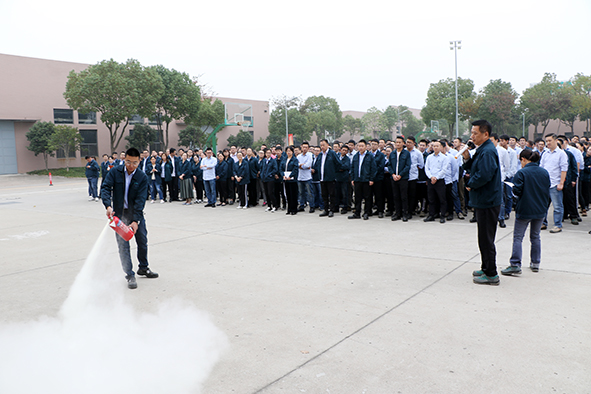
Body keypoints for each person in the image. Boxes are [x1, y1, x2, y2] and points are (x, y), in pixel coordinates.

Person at [101, 148, 158, 289]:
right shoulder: (115, 172)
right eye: (128, 161)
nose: (131, 165)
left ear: (139, 161)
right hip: (119, 215)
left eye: (134, 162)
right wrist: (108, 205)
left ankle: (143, 267)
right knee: (123, 246)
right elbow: (105, 188)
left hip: (135, 214)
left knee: (142, 241)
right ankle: (129, 274)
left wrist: (135, 220)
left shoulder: (142, 177)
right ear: (123, 159)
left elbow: (140, 200)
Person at [461, 120, 503, 286]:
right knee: (483, 237)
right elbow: (474, 168)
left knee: (486, 239)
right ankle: (485, 267)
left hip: (488, 201)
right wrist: (466, 157)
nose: (472, 136)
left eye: (475, 133)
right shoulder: (482, 150)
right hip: (484, 200)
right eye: (471, 133)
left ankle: (492, 274)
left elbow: (484, 175)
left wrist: (470, 184)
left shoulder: (487, 151)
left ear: (486, 134)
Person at [500, 150, 550, 276]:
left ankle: (515, 264)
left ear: (523, 159)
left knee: (518, 237)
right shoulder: (544, 172)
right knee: (535, 236)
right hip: (540, 209)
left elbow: (517, 191)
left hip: (525, 209)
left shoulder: (521, 173)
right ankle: (535, 263)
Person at [540, 134, 568, 233]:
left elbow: (564, 169)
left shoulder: (561, 153)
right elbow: (541, 167)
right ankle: (543, 223)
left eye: (549, 141)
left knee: (557, 206)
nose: (548, 143)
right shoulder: (545, 153)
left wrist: (561, 183)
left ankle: (557, 225)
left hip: (555, 184)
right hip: (545, 184)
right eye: (546, 141)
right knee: (543, 205)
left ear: (556, 141)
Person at [348, 139, 376, 220]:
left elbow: (373, 169)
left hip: (366, 180)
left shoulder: (370, 156)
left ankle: (367, 212)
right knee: (357, 197)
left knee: (367, 197)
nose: (360, 148)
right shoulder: (356, 156)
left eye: (362, 146)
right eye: (359, 146)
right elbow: (352, 168)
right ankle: (357, 212)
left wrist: (371, 179)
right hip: (357, 180)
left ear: (366, 147)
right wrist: (353, 178)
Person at [315, 139, 342, 217]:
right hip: (322, 178)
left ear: (328, 145)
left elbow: (338, 164)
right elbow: (317, 165)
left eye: (323, 145)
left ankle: (332, 210)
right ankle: (326, 210)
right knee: (324, 195)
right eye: (321, 145)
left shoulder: (332, 153)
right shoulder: (320, 155)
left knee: (332, 195)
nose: (322, 147)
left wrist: (333, 172)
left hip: (330, 178)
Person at [423, 141, 447, 223]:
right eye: (434, 146)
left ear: (440, 147)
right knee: (431, 199)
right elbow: (426, 168)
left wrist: (436, 177)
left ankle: (442, 215)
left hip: (440, 180)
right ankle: (431, 215)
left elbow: (444, 170)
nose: (435, 147)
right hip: (431, 180)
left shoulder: (444, 157)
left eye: (437, 146)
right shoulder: (429, 157)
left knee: (442, 199)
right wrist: (431, 177)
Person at [389, 136, 411, 221]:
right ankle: (397, 213)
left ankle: (405, 213)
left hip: (403, 178)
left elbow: (407, 166)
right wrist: (393, 174)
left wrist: (400, 175)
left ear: (403, 143)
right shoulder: (392, 153)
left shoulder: (406, 153)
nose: (397, 144)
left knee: (404, 196)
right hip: (394, 178)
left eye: (399, 142)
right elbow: (389, 165)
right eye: (396, 142)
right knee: (396, 196)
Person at [281, 146, 300, 215]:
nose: (288, 152)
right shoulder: (284, 159)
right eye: (287, 151)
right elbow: (281, 168)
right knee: (288, 194)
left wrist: (290, 176)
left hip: (292, 179)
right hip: (286, 179)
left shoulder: (294, 159)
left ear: (292, 152)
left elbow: (295, 169)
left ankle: (294, 209)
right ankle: (289, 209)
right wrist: (283, 175)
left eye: (290, 151)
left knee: (293, 194)